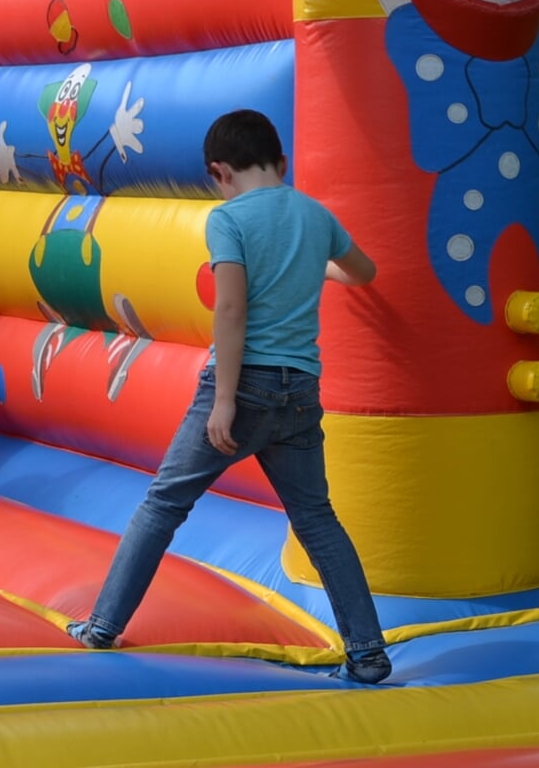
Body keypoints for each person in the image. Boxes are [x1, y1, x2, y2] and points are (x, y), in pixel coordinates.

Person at [67, 109, 393, 685]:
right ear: (282, 163)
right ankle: (367, 652)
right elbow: (363, 273)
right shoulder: (316, 216)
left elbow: (232, 309)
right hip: (300, 392)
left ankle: (102, 626)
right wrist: (312, 270)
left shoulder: (229, 219)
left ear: (220, 172)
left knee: (163, 506)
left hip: (242, 386)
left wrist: (224, 402)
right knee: (317, 519)